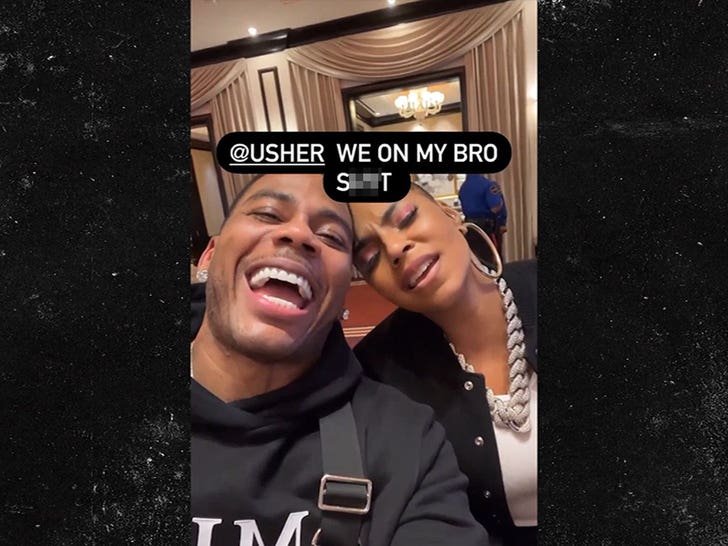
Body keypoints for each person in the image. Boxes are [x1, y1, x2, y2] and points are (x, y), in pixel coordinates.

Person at [190, 173, 490, 546]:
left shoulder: (403, 439)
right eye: (268, 213)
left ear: (344, 293)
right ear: (209, 254)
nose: (298, 234)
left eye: (331, 237)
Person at [349, 184, 536, 546]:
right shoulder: (377, 372)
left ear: (450, 213)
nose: (395, 249)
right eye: (370, 257)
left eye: (406, 218)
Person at [457, 174, 508, 258]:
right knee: (493, 257)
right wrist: (502, 221)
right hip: (486, 227)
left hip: (469, 227)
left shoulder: (463, 188)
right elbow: (495, 207)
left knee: (477, 258)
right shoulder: (489, 185)